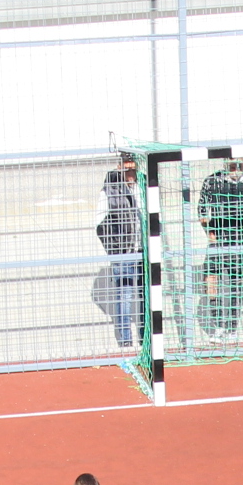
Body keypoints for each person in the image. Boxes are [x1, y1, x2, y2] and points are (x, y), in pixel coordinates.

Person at [195, 155, 243, 344]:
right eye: (232, 163)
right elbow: (202, 209)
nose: (235, 167)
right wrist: (210, 233)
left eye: (238, 163)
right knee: (210, 277)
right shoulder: (212, 181)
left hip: (241, 238)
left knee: (236, 282)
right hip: (219, 237)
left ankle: (231, 328)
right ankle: (218, 325)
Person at [96, 150, 142, 350]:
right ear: (120, 166)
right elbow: (100, 224)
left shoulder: (143, 187)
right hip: (123, 252)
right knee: (125, 295)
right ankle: (125, 341)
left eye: (133, 170)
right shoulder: (110, 190)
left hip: (143, 250)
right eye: (127, 170)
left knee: (146, 296)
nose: (131, 175)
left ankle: (145, 339)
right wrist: (115, 247)